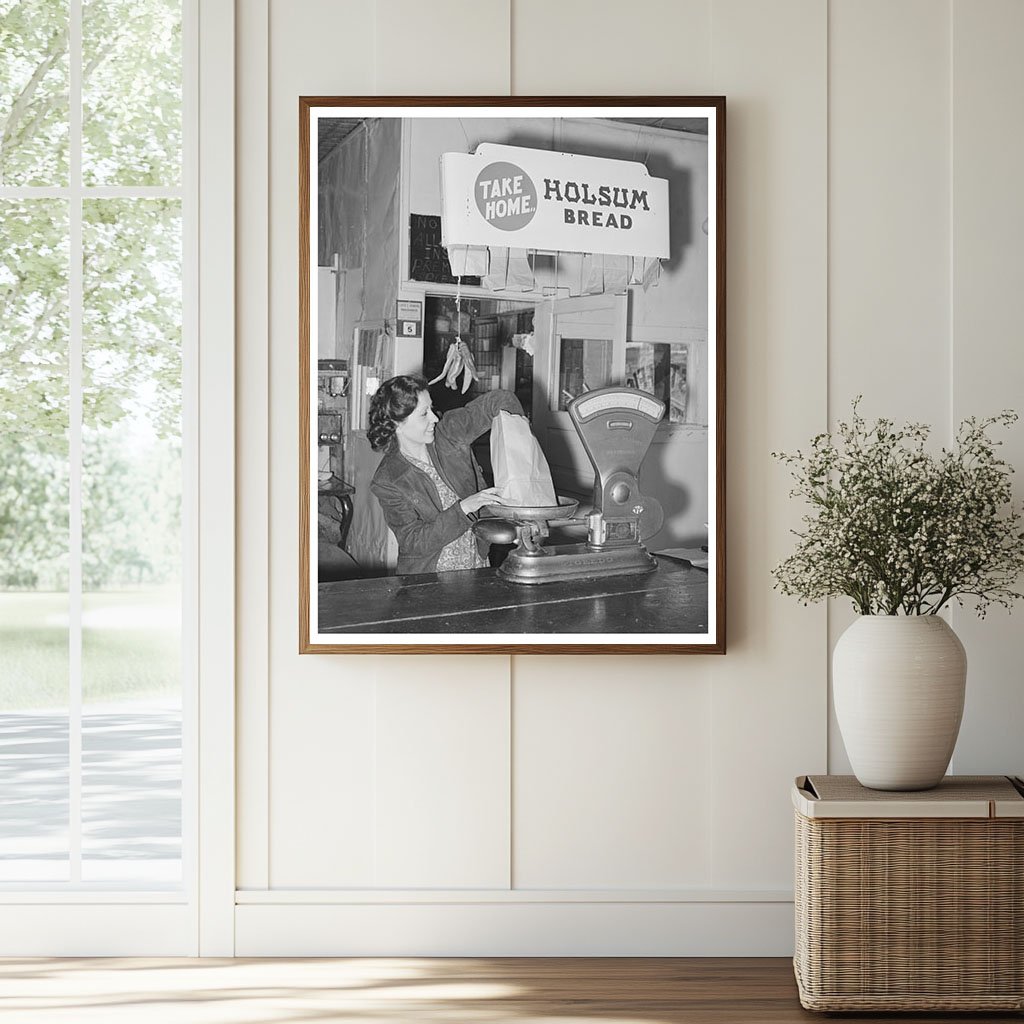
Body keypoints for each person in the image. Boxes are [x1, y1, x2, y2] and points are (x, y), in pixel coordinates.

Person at [368, 374, 525, 575]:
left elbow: (501, 401)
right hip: (429, 579)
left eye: (431, 409)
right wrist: (464, 508)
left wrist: (520, 448)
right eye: (424, 414)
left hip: (475, 564)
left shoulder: (449, 433)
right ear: (397, 424)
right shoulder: (388, 479)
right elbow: (413, 542)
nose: (435, 418)